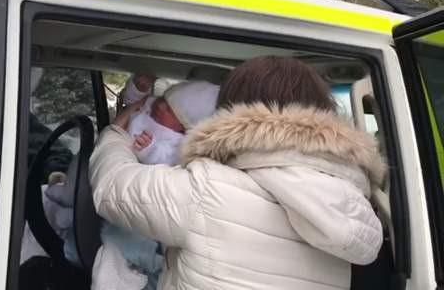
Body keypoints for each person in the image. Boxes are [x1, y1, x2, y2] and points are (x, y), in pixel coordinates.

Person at [89, 56, 385, 290]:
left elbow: (110, 188)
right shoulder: (348, 200)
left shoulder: (206, 190)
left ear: (234, 112)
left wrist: (117, 132)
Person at [92, 81, 219, 290]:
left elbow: (169, 158)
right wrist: (138, 88)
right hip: (123, 194)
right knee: (115, 232)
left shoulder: (181, 144)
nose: (159, 106)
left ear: (184, 124)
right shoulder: (149, 113)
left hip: (143, 200)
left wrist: (149, 149)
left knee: (135, 240)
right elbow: (135, 105)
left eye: (169, 109)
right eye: (162, 101)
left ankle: (149, 264)